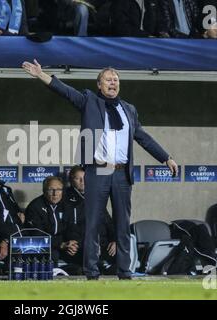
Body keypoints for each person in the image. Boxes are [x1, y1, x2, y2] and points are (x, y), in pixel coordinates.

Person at [22, 60, 178, 280]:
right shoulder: (90, 101)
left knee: (123, 225)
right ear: (99, 84)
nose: (113, 82)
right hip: (98, 171)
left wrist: (166, 158)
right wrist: (42, 75)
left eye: (116, 80)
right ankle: (92, 272)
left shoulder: (129, 110)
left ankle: (124, 271)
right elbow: (66, 92)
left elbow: (143, 137)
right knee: (93, 224)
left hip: (122, 173)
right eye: (108, 79)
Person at [63, 166, 116, 275]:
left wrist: (115, 240)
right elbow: (64, 227)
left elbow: (109, 223)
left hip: (102, 244)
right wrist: (65, 243)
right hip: (80, 246)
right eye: (78, 178)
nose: (82, 181)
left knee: (121, 252)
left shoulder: (96, 196)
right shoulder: (65, 199)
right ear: (71, 180)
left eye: (84, 177)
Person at [25, 176, 69, 264]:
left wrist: (72, 243)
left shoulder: (67, 204)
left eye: (59, 189)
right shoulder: (35, 206)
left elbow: (72, 226)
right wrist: (59, 244)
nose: (55, 193)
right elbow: (37, 235)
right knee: (52, 255)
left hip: (64, 244)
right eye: (51, 189)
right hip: (44, 246)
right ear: (44, 191)